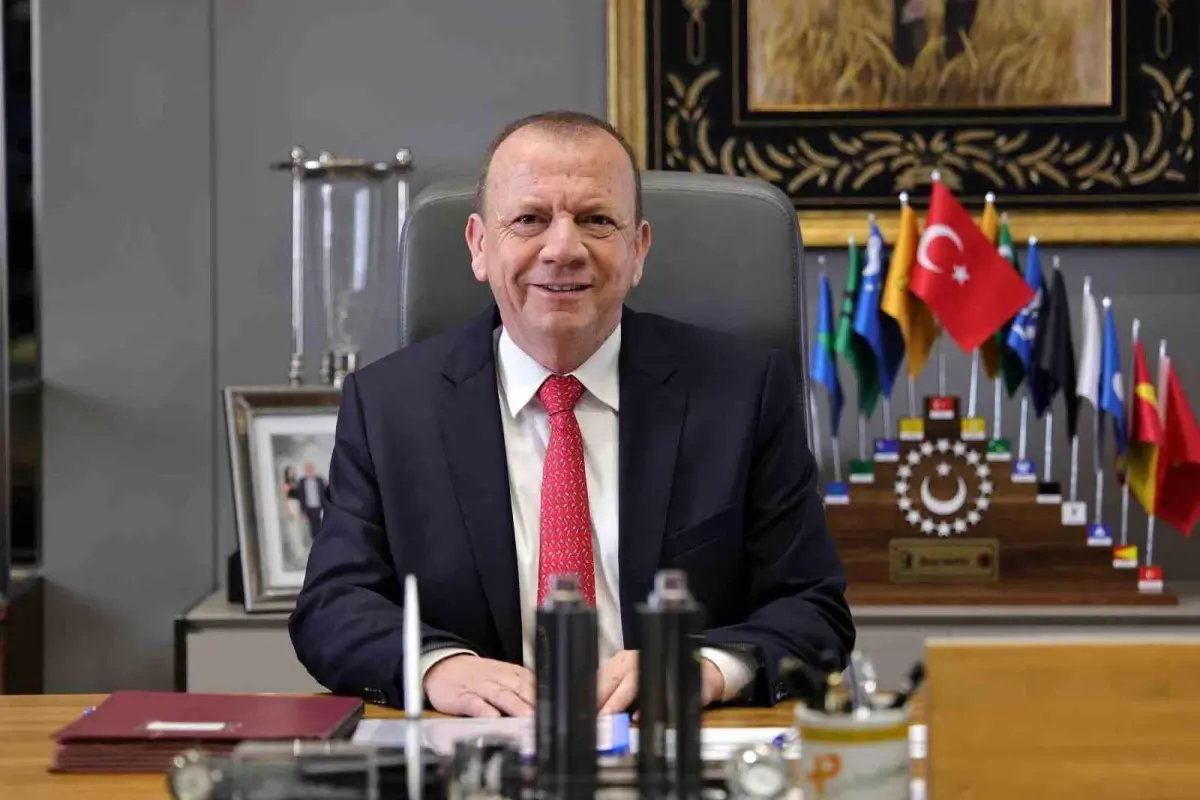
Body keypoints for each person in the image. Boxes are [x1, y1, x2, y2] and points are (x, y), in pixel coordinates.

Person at [288, 110, 854, 717]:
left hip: (674, 739)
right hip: (475, 744)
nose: (563, 249)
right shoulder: (388, 406)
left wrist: (710, 668)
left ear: (637, 250)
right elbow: (333, 606)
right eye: (530, 219)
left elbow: (812, 608)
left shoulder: (743, 393)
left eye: (596, 220)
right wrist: (436, 666)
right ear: (479, 246)